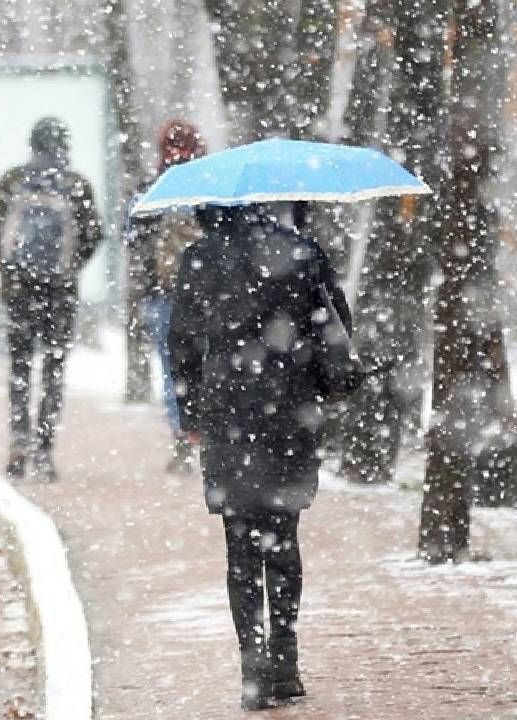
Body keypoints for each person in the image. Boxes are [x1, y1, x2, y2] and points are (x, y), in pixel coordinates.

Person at [168, 206, 352, 711]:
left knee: (239, 539)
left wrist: (189, 413)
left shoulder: (199, 257)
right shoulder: (300, 251)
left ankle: (252, 662)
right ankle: (286, 659)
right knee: (283, 534)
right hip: (289, 407)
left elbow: (181, 340)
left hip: (227, 407)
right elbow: (336, 325)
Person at [0, 117, 104, 483]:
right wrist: (69, 268)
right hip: (59, 294)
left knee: (20, 369)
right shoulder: (76, 185)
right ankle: (45, 449)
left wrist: (8, 268)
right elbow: (95, 233)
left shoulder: (13, 180)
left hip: (18, 291)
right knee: (54, 370)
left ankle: (18, 443)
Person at [125, 120, 207, 474]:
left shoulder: (150, 189)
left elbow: (132, 236)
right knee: (208, 365)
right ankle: (209, 433)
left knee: (173, 370)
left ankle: (182, 435)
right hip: (206, 296)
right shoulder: (210, 188)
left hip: (163, 295)